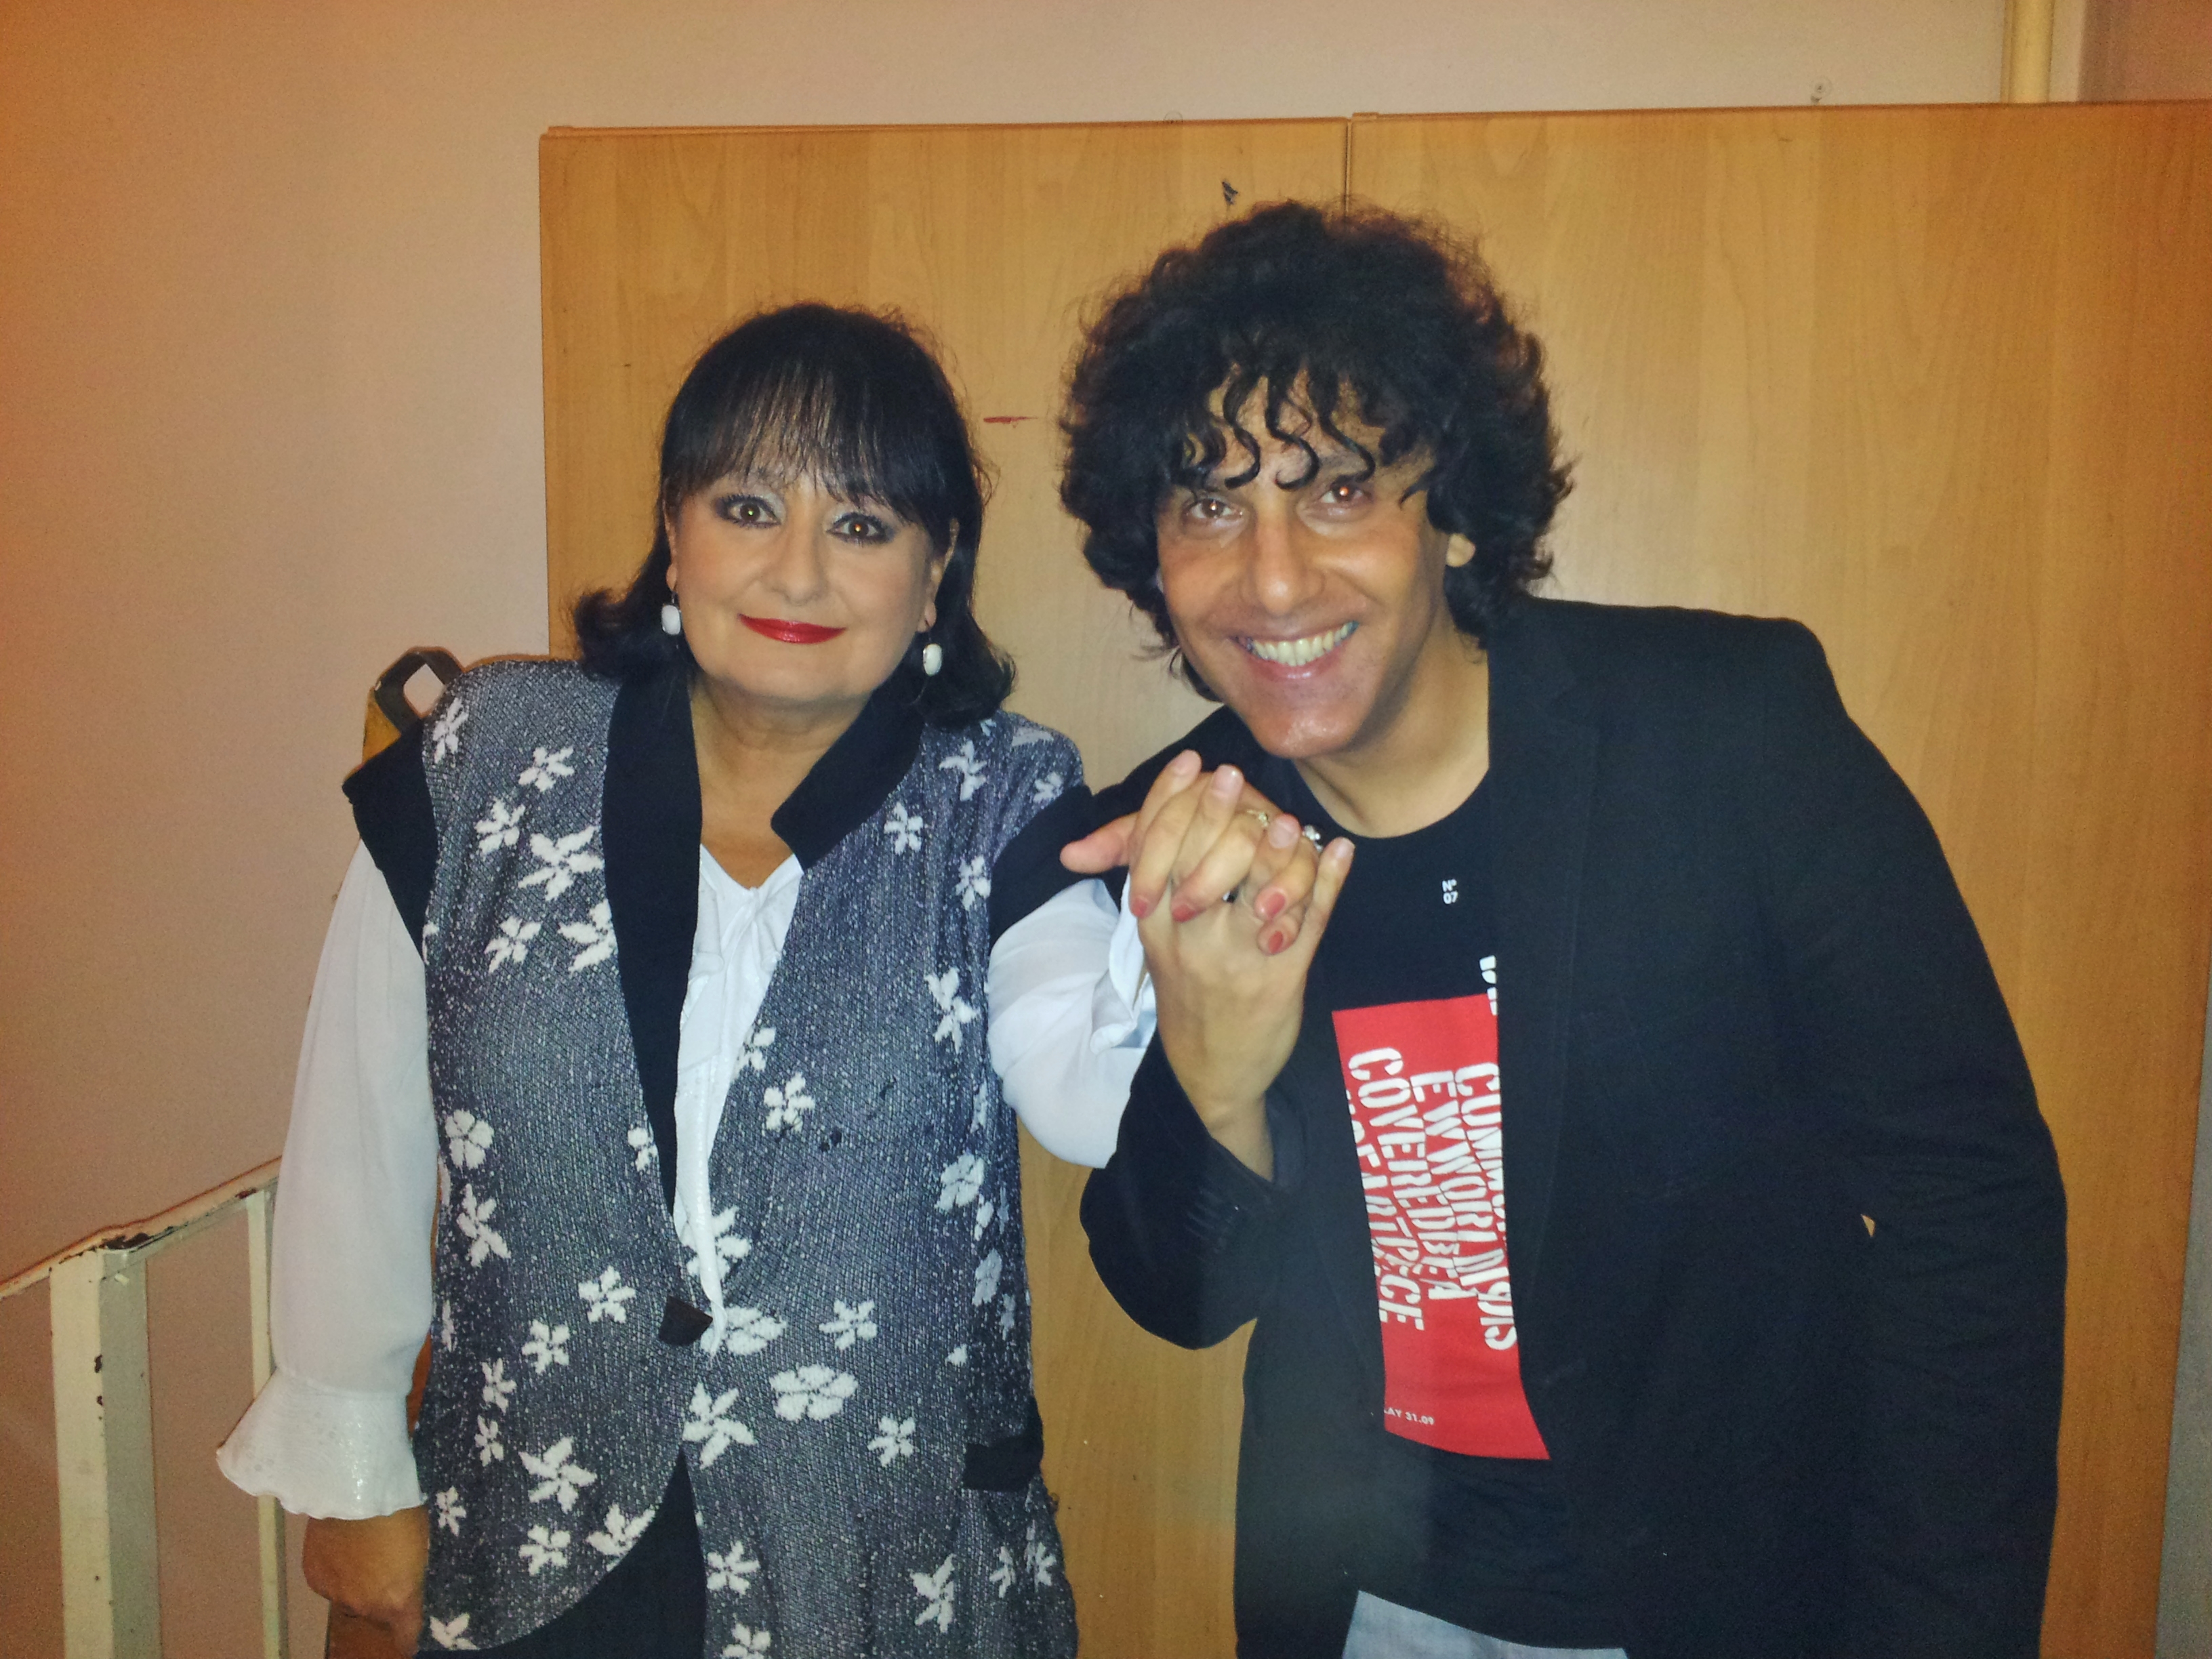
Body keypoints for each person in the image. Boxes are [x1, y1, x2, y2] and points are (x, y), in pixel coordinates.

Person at [1044, 203, 2068, 1658]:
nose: (1270, 579)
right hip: (1368, 1605)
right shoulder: (1202, 826)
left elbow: (1966, 1200)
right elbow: (1177, 1299)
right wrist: (1212, 1071)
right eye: (1209, 506)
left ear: (1453, 513)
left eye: (1339, 491)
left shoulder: (1728, 736)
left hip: (1732, 1586)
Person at [218, 304, 1159, 1657]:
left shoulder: (1006, 799)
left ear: (935, 569)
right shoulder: (487, 760)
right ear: (675, 530)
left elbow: (1092, 1100)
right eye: (749, 506)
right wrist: (350, 1452)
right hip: (528, 1524)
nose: (797, 572)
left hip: (877, 1557)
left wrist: (1200, 961)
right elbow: (358, 1128)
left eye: (862, 524)